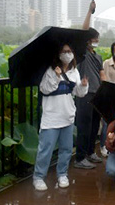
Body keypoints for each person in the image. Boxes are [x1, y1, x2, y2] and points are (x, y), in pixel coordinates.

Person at [33, 44, 89, 191]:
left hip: (67, 116)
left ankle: (62, 174)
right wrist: (56, 77)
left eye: (70, 51)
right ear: (58, 54)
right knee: (46, 149)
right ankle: (39, 177)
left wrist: (83, 86)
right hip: (51, 117)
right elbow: (44, 89)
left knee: (66, 149)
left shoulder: (74, 71)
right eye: (64, 51)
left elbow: (79, 93)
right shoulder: (50, 70)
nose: (68, 54)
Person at [74, 1, 106, 169]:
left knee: (94, 126)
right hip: (84, 93)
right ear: (87, 41)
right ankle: (80, 158)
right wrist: (89, 11)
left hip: (97, 94)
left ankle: (90, 152)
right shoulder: (82, 53)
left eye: (97, 39)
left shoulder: (98, 57)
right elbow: (84, 30)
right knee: (84, 126)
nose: (95, 41)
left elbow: (102, 75)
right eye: (93, 39)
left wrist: (106, 88)